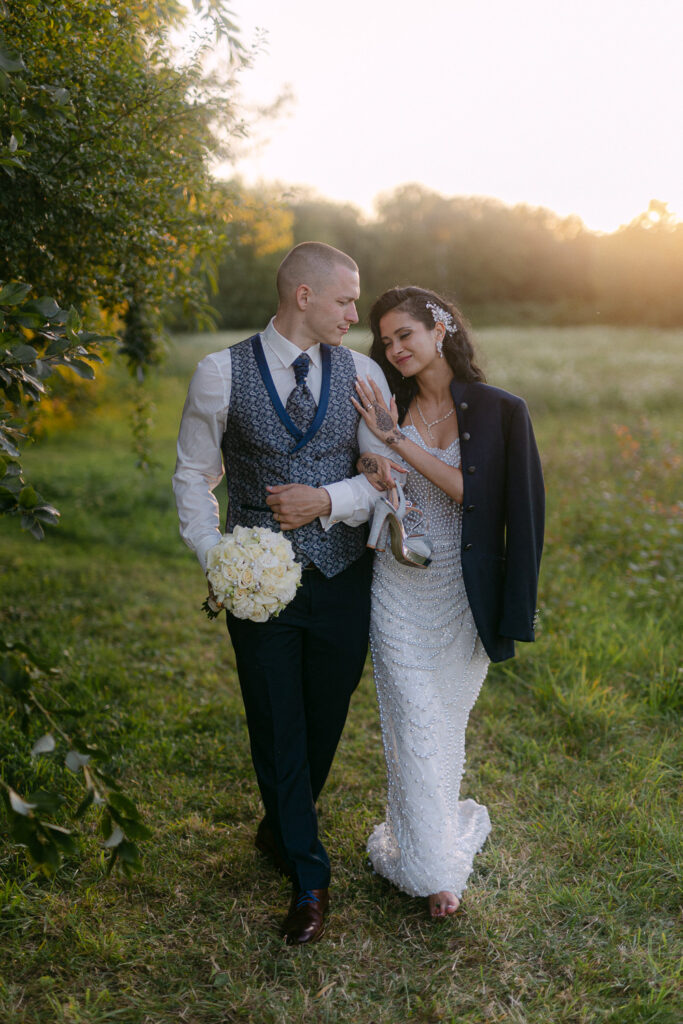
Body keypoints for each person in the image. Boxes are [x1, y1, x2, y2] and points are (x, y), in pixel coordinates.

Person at [172, 242, 396, 944]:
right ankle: (309, 874)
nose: (355, 314)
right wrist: (217, 554)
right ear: (303, 295)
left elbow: (388, 477)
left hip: (340, 579)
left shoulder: (361, 373)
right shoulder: (219, 373)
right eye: (344, 300)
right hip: (257, 590)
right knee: (275, 722)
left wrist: (325, 499)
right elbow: (191, 474)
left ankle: (279, 829)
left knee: (323, 720)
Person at [352, 285, 544, 919]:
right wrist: (374, 466)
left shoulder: (500, 411)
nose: (395, 348)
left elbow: (488, 502)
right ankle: (435, 871)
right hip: (398, 588)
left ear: (441, 330)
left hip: (464, 595)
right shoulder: (388, 404)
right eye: (385, 341)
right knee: (412, 725)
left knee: (443, 723)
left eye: (404, 334)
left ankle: (423, 845)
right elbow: (373, 479)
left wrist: (398, 445)